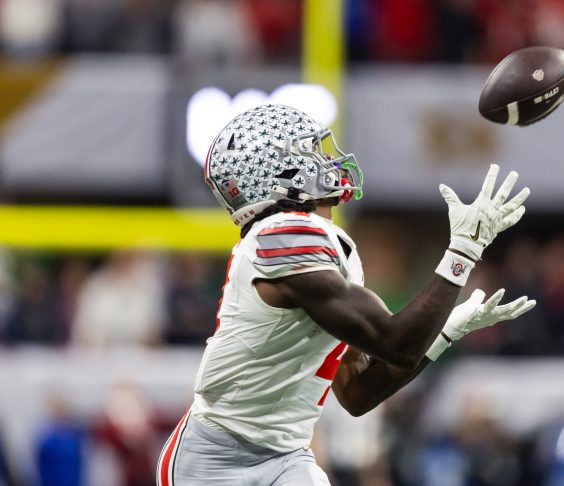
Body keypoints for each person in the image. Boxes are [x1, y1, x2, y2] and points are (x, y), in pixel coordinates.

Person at [156, 104, 536, 485]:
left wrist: (445, 330)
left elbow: (357, 393)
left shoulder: (315, 248)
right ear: (280, 173)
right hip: (213, 462)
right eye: (313, 152)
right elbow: (398, 344)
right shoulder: (283, 236)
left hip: (286, 455)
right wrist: (462, 253)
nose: (328, 161)